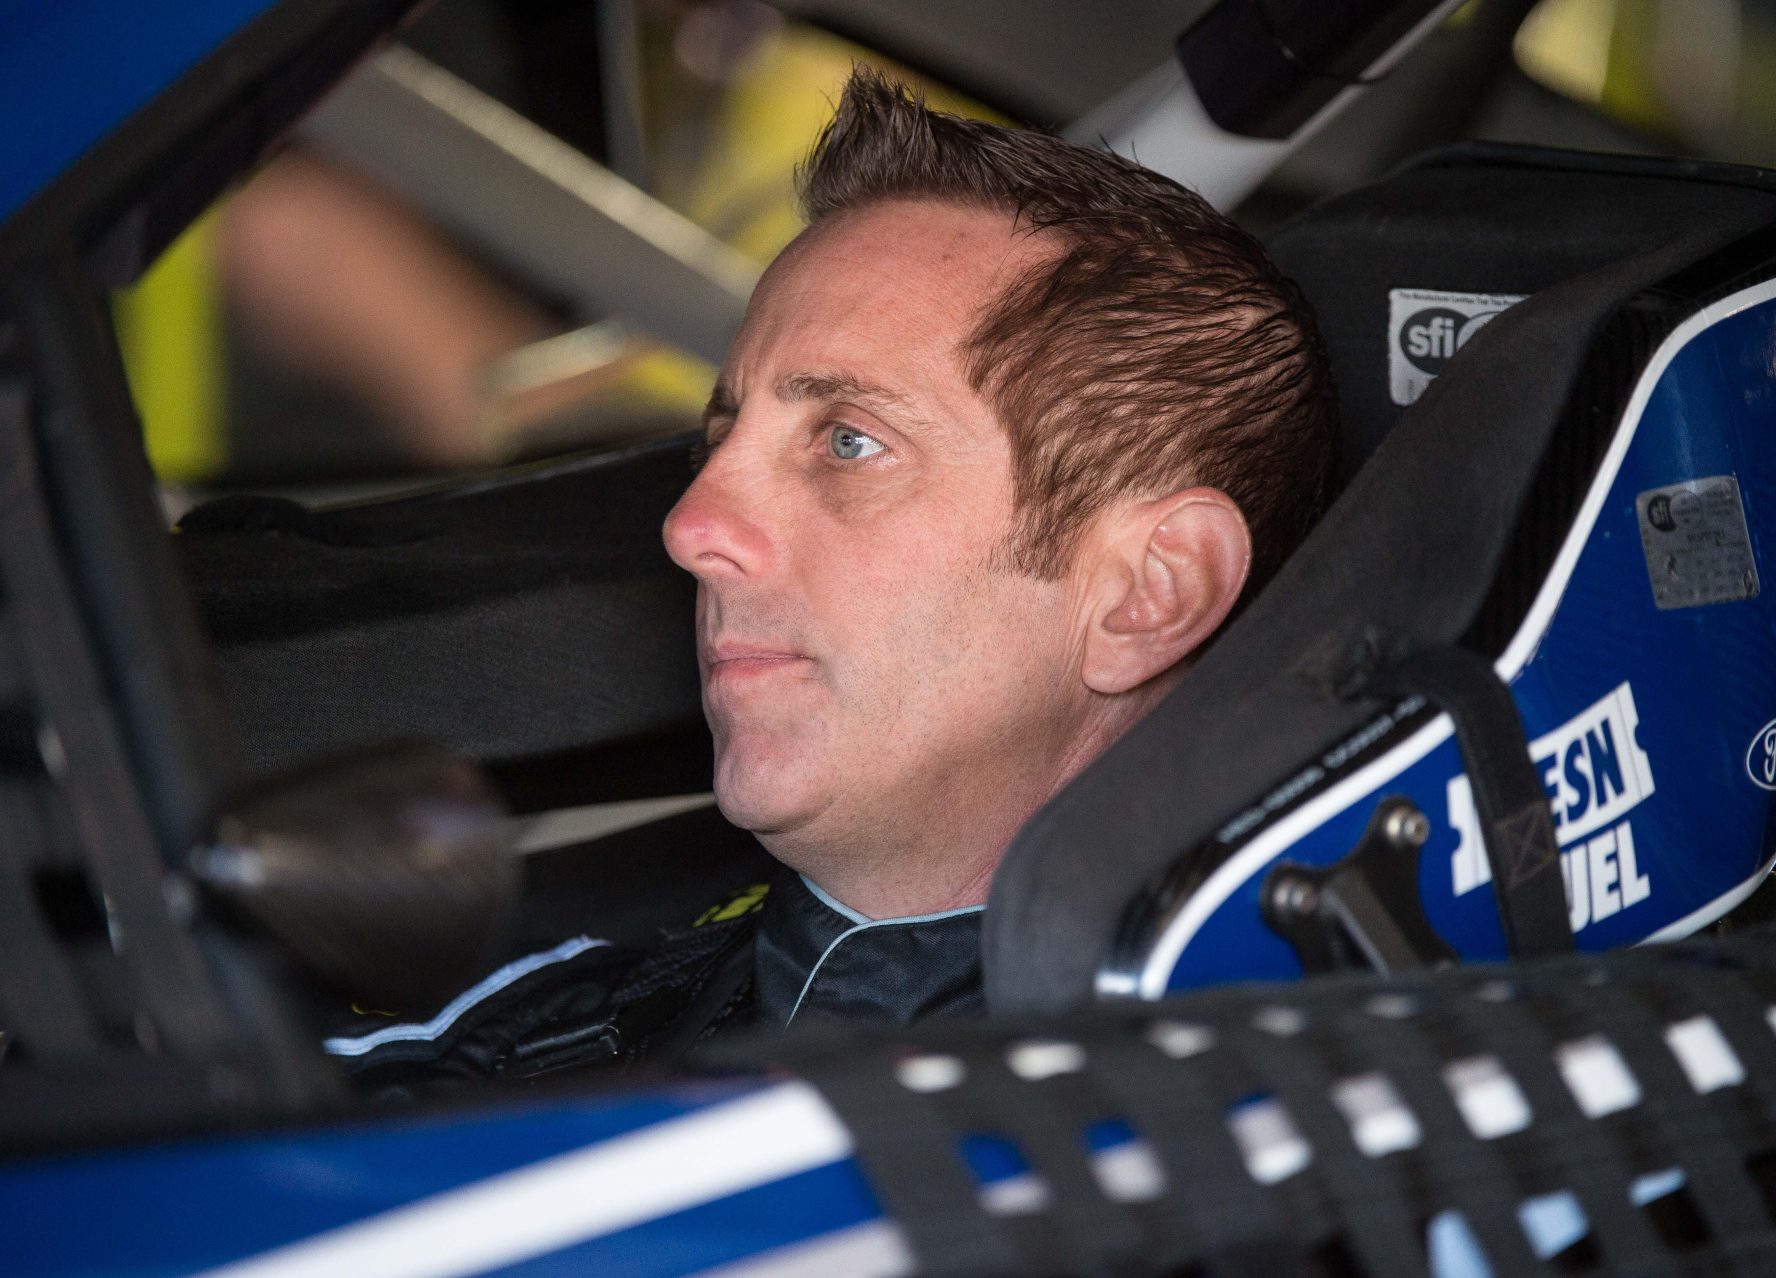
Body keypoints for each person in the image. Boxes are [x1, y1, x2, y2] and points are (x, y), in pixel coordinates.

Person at [325, 67, 1336, 1090]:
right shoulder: (567, 1014)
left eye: (849, 443)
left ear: (1148, 591)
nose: (693, 526)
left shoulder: (1255, 1143)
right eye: (717, 443)